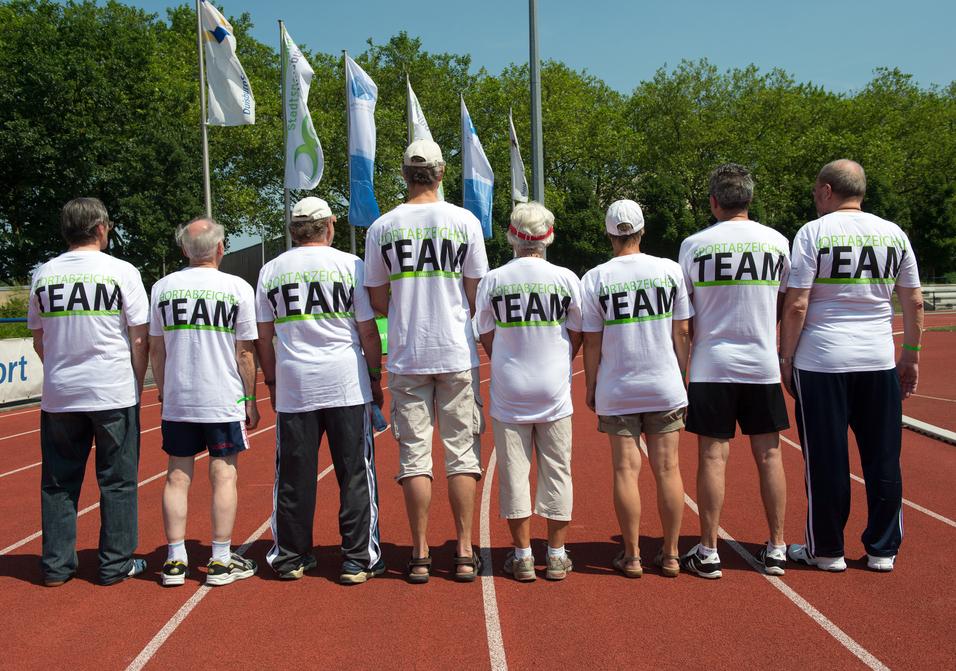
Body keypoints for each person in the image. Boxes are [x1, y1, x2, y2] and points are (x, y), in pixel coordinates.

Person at [780, 159, 923, 573]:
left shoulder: (813, 232)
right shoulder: (893, 233)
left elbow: (798, 303)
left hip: (822, 360)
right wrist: (910, 354)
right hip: (878, 358)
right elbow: (912, 300)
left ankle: (826, 550)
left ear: (826, 190)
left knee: (826, 459)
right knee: (883, 458)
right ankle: (882, 549)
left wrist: (787, 358)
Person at [364, 139, 489, 583]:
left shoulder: (382, 227)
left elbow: (377, 299)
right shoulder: (464, 221)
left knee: (414, 457)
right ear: (440, 174)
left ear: (404, 175)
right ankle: (464, 548)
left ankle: (418, 553)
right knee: (462, 453)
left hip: (407, 351)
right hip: (455, 349)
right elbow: (477, 292)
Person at [257, 197, 385, 585]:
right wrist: (375, 378)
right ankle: (357, 558)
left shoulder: (270, 271)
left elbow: (264, 337)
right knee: (355, 474)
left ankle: (291, 557)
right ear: (329, 226)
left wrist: (272, 382)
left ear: (294, 230)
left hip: (296, 386)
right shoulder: (350, 265)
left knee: (294, 475)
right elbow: (367, 330)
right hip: (345, 383)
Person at [27, 197, 149, 586]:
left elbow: (38, 339)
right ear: (101, 229)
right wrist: (137, 384)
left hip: (61, 394)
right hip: (112, 391)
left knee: (59, 481)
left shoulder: (43, 274)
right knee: (118, 479)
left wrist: (62, 373)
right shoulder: (121, 271)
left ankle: (56, 566)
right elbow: (139, 338)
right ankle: (115, 564)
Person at [677, 164, 791, 579]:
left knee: (712, 455)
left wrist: (683, 367)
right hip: (761, 363)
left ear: (713, 202)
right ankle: (777, 546)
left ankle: (708, 550)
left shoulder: (694, 245)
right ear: (749, 199)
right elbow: (784, 302)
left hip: (711, 365)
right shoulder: (778, 242)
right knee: (770, 454)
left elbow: (685, 318)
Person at [582, 200, 691, 579]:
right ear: (642, 231)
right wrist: (681, 373)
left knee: (625, 471)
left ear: (610, 234)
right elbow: (682, 331)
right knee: (668, 469)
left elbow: (592, 343)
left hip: (618, 385)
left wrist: (591, 385)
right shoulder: (669, 270)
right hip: (663, 383)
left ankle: (631, 556)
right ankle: (672, 553)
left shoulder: (595, 278)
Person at [475, 202, 583, 582]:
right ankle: (555, 554)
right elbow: (578, 329)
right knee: (558, 471)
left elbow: (485, 331)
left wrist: (504, 355)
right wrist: (561, 357)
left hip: (509, 388)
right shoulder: (567, 278)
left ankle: (522, 555)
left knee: (513, 473)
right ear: (548, 235)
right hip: (553, 388)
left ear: (512, 235)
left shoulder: (493, 279)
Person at [149, 217, 259, 587]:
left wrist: (164, 390)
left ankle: (175, 559)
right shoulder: (237, 288)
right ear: (220, 248)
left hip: (179, 397)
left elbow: (157, 348)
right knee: (223, 474)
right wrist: (250, 399)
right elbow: (245, 352)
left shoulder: (162, 288)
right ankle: (221, 559)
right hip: (222, 396)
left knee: (177, 476)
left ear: (184, 250)